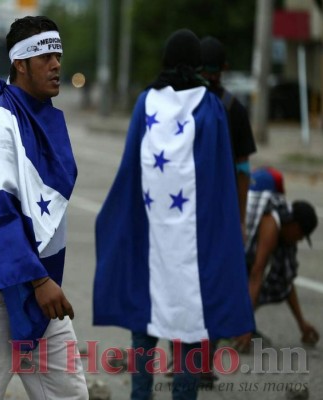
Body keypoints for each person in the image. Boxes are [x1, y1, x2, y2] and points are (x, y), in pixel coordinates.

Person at [93, 29, 255, 400]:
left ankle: (140, 395)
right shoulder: (210, 107)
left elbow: (129, 173)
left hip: (150, 237)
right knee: (189, 326)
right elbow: (218, 182)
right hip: (191, 245)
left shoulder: (145, 102)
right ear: (197, 64)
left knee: (143, 323)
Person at [0, 16, 88, 400]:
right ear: (20, 62)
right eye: (45, 55)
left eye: (58, 54)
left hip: (41, 289)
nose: (56, 64)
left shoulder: (40, 115)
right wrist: (39, 281)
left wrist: (42, 281)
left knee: (70, 396)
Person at [234, 167, 320, 351]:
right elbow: (257, 273)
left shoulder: (285, 232)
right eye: (302, 234)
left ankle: (236, 324)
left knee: (272, 276)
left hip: (240, 250)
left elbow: (286, 281)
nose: (300, 240)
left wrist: (301, 324)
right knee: (251, 275)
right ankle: (232, 329)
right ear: (294, 226)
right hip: (224, 239)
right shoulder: (272, 224)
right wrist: (245, 324)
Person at [200, 36, 257, 240]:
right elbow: (243, 170)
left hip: (185, 206)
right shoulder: (235, 108)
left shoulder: (182, 104)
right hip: (223, 208)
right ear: (225, 67)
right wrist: (241, 220)